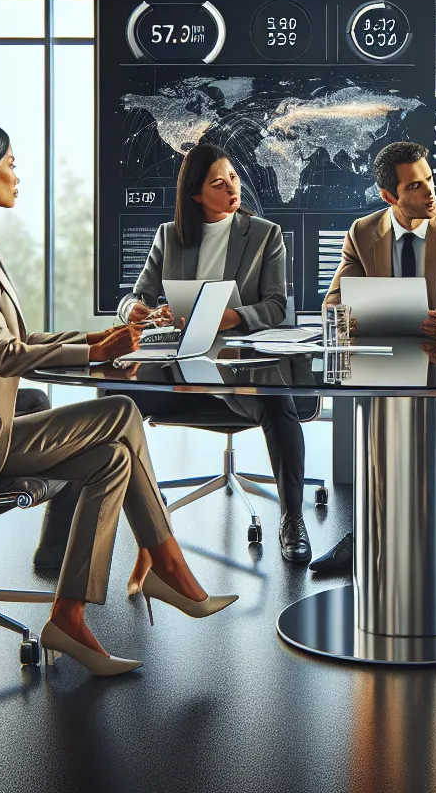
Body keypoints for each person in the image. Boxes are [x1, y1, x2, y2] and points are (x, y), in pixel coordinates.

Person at [0, 118, 235, 678]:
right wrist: (96, 356)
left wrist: (93, 339)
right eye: (8, 163)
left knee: (112, 460)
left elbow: (22, 340)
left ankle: (70, 614)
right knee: (122, 410)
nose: (15, 173)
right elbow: (5, 354)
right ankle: (168, 564)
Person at [113, 143, 316, 564]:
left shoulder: (264, 234)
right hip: (177, 364)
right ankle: (141, 519)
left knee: (277, 404)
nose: (231, 189)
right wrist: (136, 309)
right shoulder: (169, 236)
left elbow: (277, 306)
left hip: (237, 365)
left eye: (234, 180)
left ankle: (292, 517)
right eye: (218, 184)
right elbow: (137, 295)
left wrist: (232, 318)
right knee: (113, 397)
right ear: (195, 194)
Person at [310, 140, 436, 576]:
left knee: (427, 432)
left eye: (429, 179)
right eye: (415, 186)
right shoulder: (362, 233)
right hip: (386, 362)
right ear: (389, 196)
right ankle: (372, 537)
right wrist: (358, 317)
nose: (430, 191)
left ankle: (418, 539)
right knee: (381, 415)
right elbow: (332, 307)